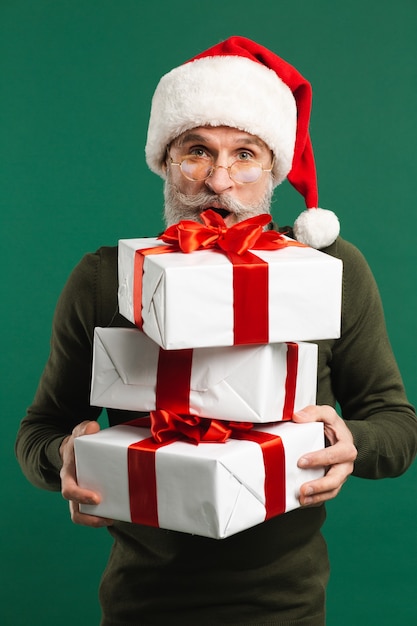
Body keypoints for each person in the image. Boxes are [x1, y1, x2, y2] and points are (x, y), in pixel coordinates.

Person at [15, 36, 417, 626]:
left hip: (287, 608)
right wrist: (64, 457)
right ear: (166, 160)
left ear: (274, 168)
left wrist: (350, 444)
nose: (220, 181)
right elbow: (39, 431)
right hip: (140, 605)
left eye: (245, 154)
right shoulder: (107, 279)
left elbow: (397, 427)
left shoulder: (330, 270)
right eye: (196, 151)